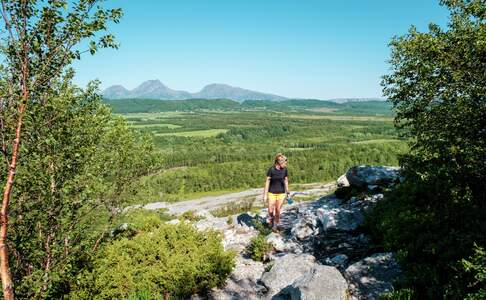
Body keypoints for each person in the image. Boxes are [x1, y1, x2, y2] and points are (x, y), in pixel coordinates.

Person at [263, 153, 289, 231]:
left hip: (281, 193)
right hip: (271, 193)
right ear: (280, 162)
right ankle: (271, 220)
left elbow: (286, 180)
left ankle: (275, 225)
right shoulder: (271, 170)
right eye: (285, 163)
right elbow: (267, 182)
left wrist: (287, 191)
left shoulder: (285, 170)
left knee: (277, 210)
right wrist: (265, 195)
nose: (286, 164)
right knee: (270, 210)